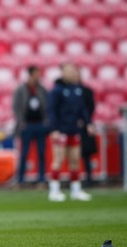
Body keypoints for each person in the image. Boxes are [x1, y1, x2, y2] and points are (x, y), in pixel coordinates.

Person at [47, 63, 94, 202]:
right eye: (69, 71)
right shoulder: (56, 90)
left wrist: (88, 123)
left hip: (74, 129)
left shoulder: (78, 89)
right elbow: (52, 111)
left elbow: (83, 109)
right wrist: (54, 129)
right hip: (61, 130)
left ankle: (76, 190)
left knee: (75, 160)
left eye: (74, 71)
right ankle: (54, 190)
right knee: (59, 160)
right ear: (62, 73)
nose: (72, 74)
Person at [12, 66, 49, 189]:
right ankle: (20, 179)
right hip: (27, 125)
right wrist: (20, 121)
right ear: (31, 74)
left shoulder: (42, 89)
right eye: (36, 74)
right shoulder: (21, 89)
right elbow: (16, 106)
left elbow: (47, 106)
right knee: (24, 153)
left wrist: (46, 121)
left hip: (40, 125)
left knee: (41, 153)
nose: (38, 76)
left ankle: (41, 179)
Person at [74, 69, 98, 187]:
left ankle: (89, 177)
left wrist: (85, 122)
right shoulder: (66, 91)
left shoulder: (87, 91)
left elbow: (90, 108)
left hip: (84, 126)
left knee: (87, 154)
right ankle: (74, 179)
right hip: (71, 126)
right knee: (72, 155)